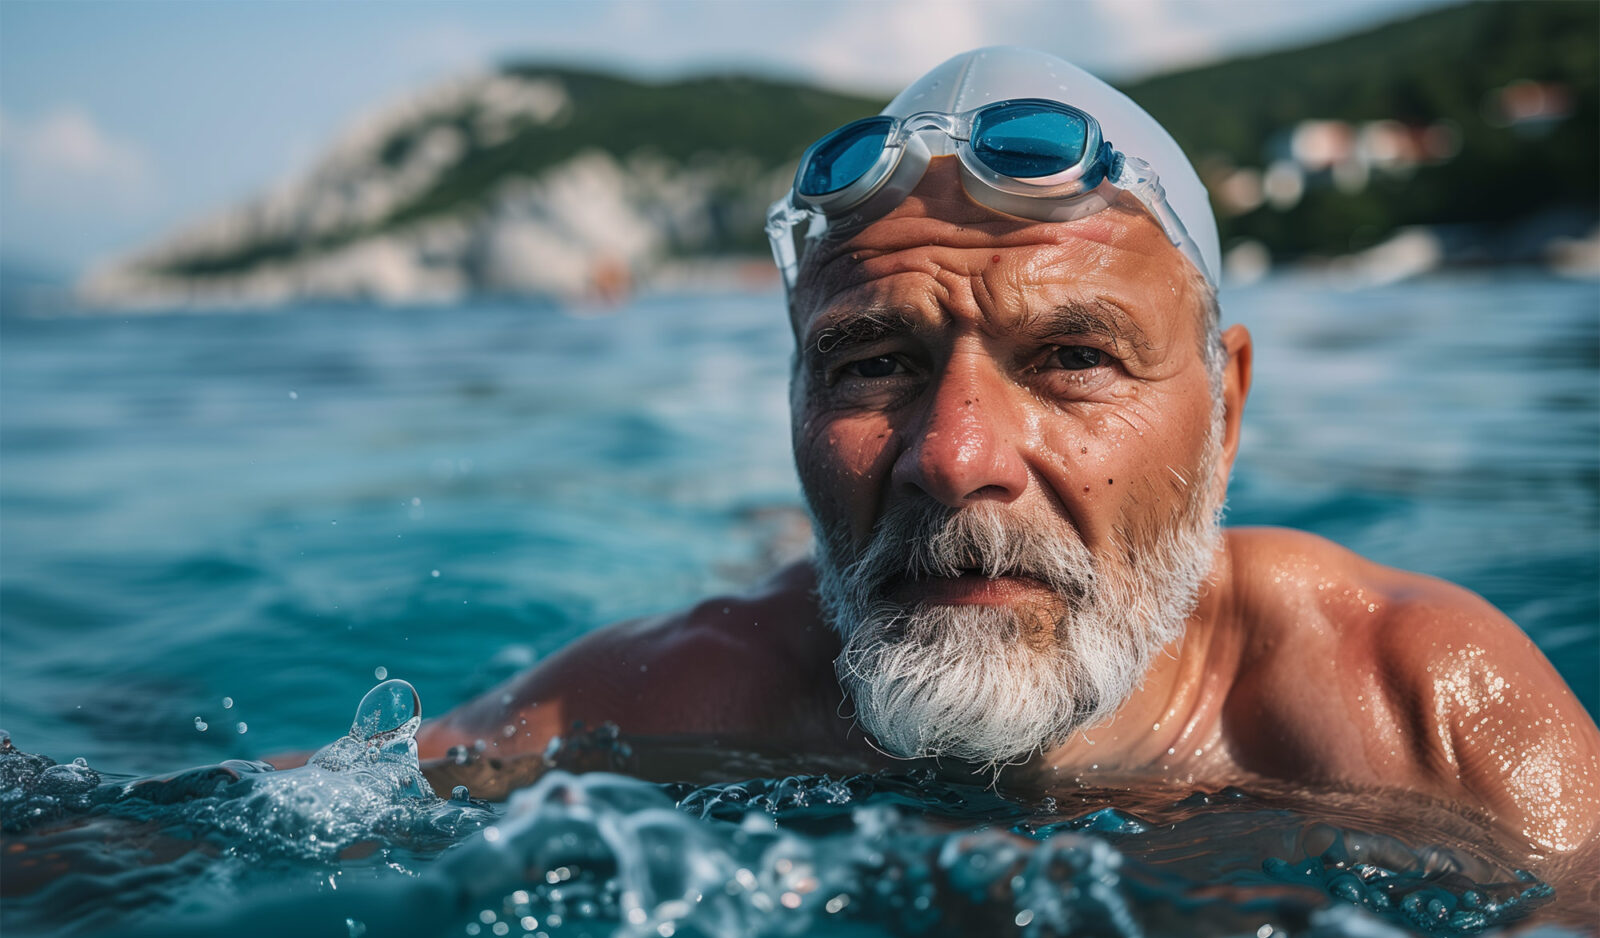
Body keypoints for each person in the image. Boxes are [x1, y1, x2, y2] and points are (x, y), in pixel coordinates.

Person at [414, 47, 1600, 865]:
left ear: (1226, 411)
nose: (955, 453)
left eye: (1073, 355)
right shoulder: (675, 701)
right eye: (870, 364)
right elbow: (270, 820)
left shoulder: (1415, 715)